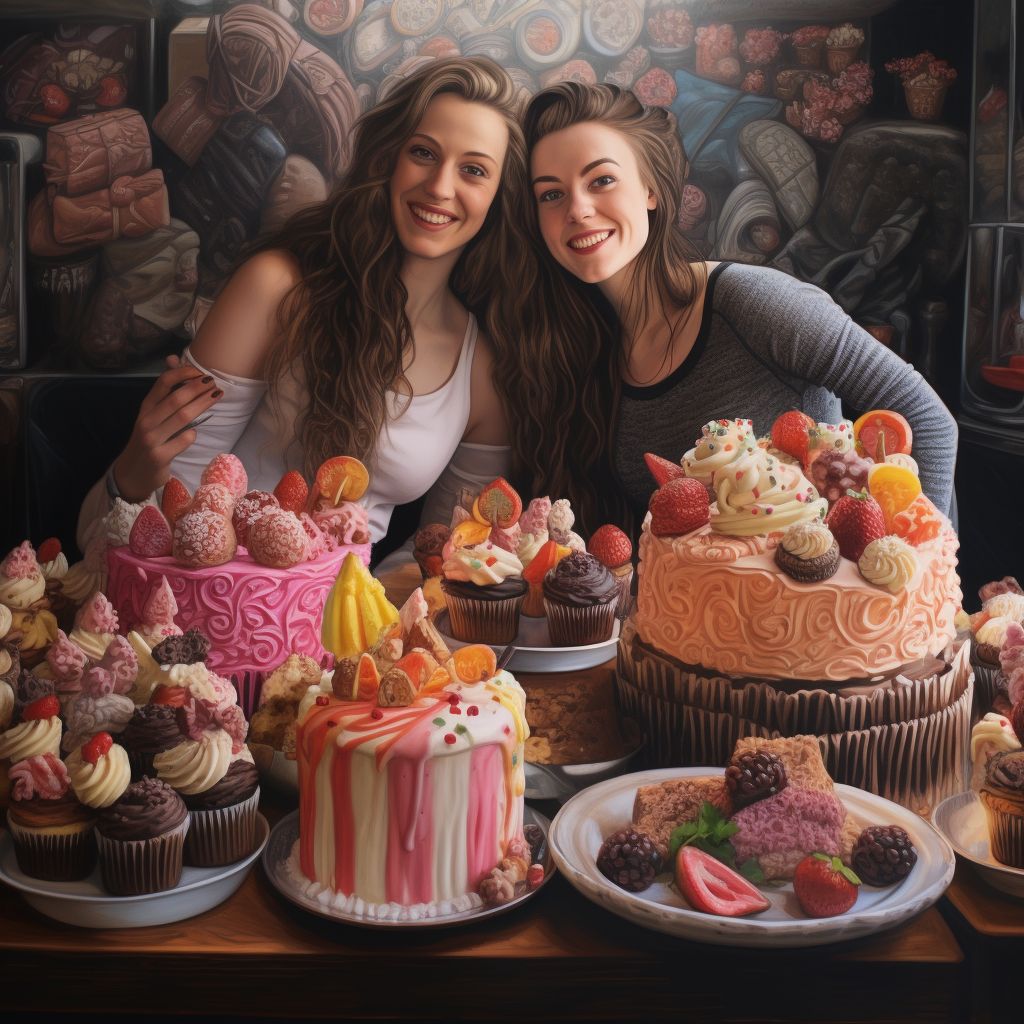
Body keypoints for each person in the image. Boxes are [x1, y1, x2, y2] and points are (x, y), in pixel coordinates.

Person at [78, 57, 528, 559]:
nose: (441, 186)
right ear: (388, 159)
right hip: (214, 602)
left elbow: (447, 559)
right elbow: (172, 511)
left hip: (354, 630)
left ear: (499, 196)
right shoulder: (278, 288)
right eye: (423, 152)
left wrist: (364, 620)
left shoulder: (482, 372)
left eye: (473, 170)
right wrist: (135, 473)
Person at [503, 82, 957, 537]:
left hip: (824, 602)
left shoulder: (748, 300)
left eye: (601, 180)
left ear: (650, 190)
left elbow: (930, 423)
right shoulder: (586, 351)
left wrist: (911, 575)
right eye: (551, 194)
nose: (578, 209)